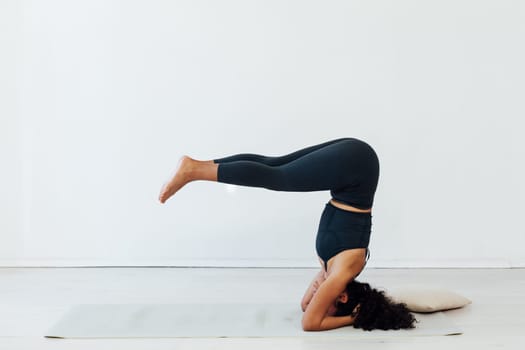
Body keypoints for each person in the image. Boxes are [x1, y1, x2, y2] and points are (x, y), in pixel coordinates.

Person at [158, 137, 416, 331]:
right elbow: (311, 323)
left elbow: (306, 307)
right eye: (326, 300)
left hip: (355, 166)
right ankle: (193, 170)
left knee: (275, 165)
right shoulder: (344, 270)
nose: (314, 294)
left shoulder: (332, 270)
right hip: (358, 167)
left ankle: (197, 165)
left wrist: (335, 307)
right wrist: (354, 318)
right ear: (343, 296)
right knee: (278, 177)